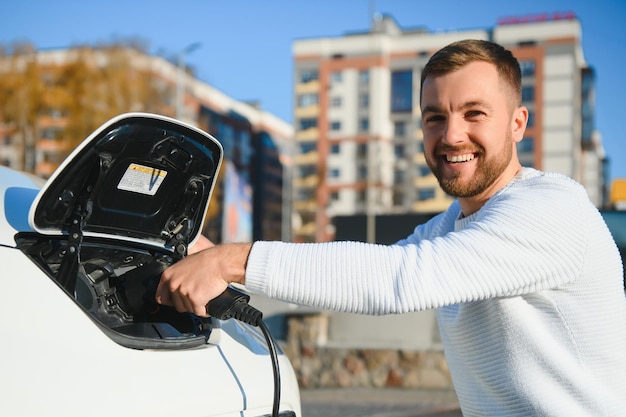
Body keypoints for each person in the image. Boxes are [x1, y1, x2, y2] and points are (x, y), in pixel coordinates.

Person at [156, 39, 626, 416]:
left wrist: (231, 261)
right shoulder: (451, 226)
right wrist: (206, 256)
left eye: (474, 113)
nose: (452, 135)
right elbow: (361, 270)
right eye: (434, 118)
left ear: (518, 123)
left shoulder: (552, 209)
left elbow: (398, 278)